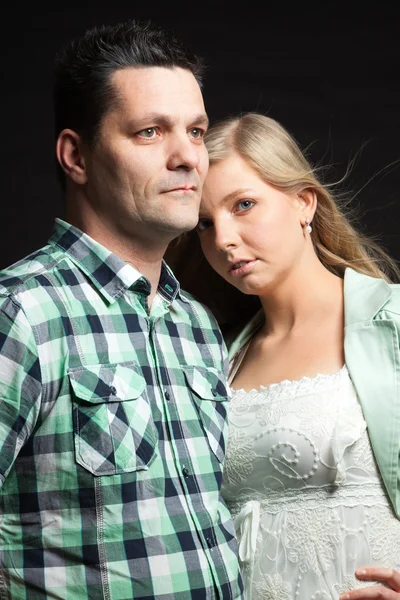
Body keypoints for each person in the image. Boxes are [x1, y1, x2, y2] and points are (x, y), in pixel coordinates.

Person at [0, 20, 243, 599]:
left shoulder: (197, 326)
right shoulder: (23, 313)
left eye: (197, 131)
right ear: (76, 156)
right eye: (150, 132)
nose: (188, 157)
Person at [170, 112, 400, 599]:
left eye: (244, 205)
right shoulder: (216, 359)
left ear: (303, 203)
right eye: (205, 224)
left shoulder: (392, 324)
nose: (224, 239)